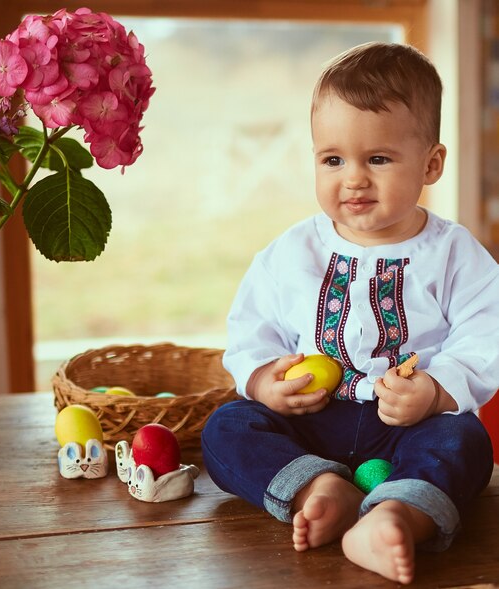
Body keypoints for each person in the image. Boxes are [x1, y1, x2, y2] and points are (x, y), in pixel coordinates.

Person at [201, 41, 499, 585]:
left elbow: (487, 332)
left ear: (431, 164)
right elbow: (253, 327)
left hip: (408, 425)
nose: (354, 178)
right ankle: (318, 488)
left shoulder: (454, 253)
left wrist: (435, 391)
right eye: (333, 160)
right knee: (226, 426)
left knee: (466, 441)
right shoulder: (290, 254)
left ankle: (395, 514)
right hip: (310, 420)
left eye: (378, 159)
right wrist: (266, 380)